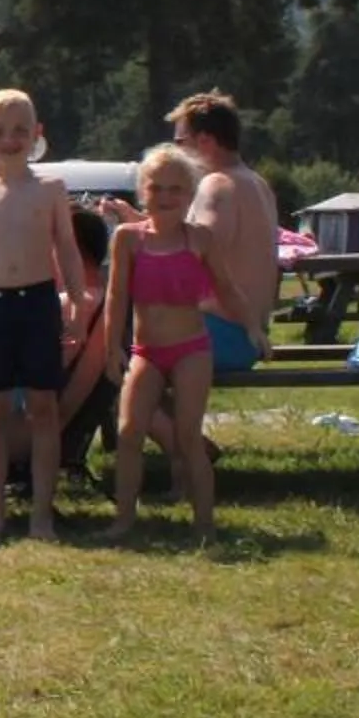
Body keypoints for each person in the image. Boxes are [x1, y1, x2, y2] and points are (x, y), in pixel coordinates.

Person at [0, 89, 88, 541]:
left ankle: (41, 516)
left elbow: (65, 247)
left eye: (19, 132)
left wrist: (76, 301)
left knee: (43, 408)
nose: (10, 140)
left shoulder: (49, 188)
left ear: (37, 134)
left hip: (38, 303)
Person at [104, 147, 252, 541]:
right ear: (142, 193)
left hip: (191, 349)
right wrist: (110, 348)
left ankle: (204, 524)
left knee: (188, 437)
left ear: (189, 195)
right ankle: (123, 520)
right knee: (129, 431)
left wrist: (253, 327)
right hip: (145, 352)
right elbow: (117, 297)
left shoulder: (199, 239)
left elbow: (227, 288)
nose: (166, 197)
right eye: (157, 188)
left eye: (176, 189)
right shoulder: (127, 239)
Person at [170, 90, 278, 374]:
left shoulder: (216, 185)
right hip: (249, 335)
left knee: (115, 346)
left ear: (205, 141)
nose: (175, 152)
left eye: (180, 142)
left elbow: (196, 255)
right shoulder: (257, 183)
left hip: (222, 335)